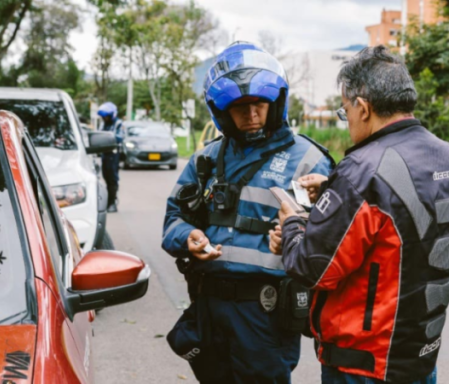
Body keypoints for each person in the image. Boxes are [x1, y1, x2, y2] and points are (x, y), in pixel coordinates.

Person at [270, 45, 448, 384]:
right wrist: (333, 193)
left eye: (345, 110)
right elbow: (405, 226)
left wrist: (292, 221)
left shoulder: (361, 173)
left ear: (363, 108)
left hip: (364, 367)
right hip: (421, 359)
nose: (346, 119)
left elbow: (313, 267)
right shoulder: (443, 155)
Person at [162, 41, 334, 383]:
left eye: (259, 103)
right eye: (240, 106)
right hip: (209, 305)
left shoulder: (308, 160)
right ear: (222, 111)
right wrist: (188, 237)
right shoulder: (206, 160)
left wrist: (295, 234)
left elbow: (334, 244)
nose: (251, 113)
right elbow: (171, 222)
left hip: (266, 314)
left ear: (276, 103)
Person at [97, 102, 124, 213]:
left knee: (112, 179)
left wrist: (108, 136)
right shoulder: (104, 124)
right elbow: (98, 135)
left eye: (106, 116)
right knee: (106, 177)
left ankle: (113, 202)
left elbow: (120, 137)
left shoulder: (118, 123)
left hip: (114, 154)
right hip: (105, 154)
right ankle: (108, 201)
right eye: (103, 116)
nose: (105, 118)